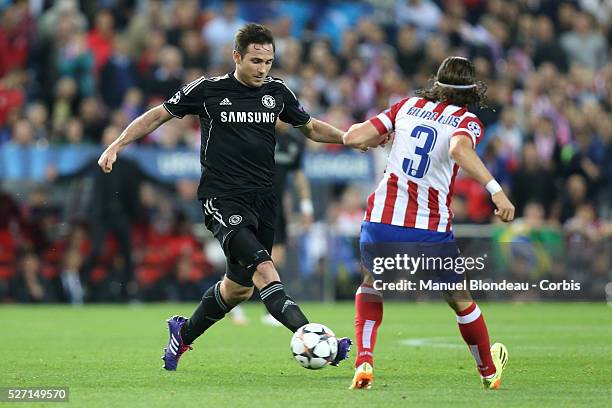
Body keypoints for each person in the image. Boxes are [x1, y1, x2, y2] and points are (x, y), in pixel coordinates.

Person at [97, 23, 352, 371]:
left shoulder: (277, 93)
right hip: (223, 200)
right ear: (236, 57)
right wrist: (117, 145)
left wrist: (349, 138)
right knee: (265, 270)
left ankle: (182, 334)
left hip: (264, 202)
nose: (263, 69)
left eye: (268, 62)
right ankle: (319, 341)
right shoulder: (208, 90)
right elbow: (158, 115)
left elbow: (310, 127)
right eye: (256, 61)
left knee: (237, 290)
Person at [342, 56, 515, 390]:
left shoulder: (405, 107)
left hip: (382, 220)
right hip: (429, 227)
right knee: (459, 299)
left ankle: (364, 359)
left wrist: (375, 138)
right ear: (472, 92)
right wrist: (496, 191)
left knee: (371, 284)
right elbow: (459, 149)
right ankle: (488, 372)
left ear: (437, 84)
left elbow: (353, 138)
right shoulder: (467, 120)